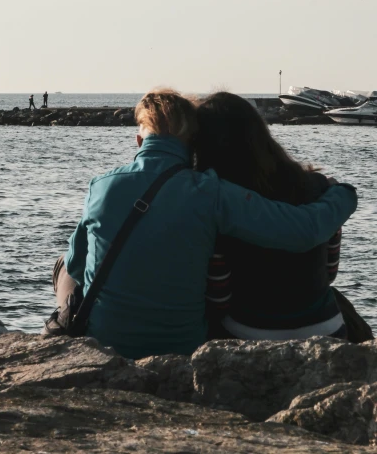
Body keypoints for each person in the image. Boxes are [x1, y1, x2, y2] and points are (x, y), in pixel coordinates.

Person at [51, 89, 357, 359]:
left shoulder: (101, 185)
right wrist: (343, 193)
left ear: (138, 140)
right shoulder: (212, 193)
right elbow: (305, 234)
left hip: (105, 342)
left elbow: (78, 268)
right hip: (183, 347)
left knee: (64, 264)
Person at [195, 91, 372, 342]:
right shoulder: (318, 189)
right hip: (327, 330)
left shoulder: (219, 202)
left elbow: (219, 298)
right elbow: (329, 272)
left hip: (248, 331)